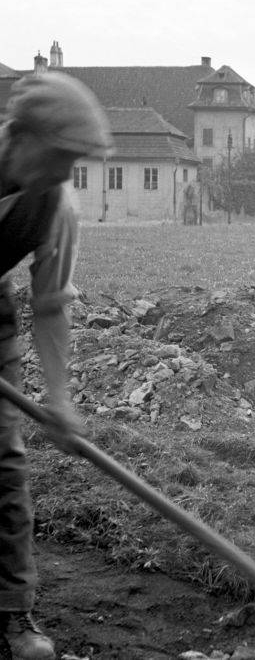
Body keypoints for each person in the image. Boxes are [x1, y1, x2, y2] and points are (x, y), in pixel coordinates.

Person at [0, 72, 113, 658]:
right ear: (18, 138)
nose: (70, 175)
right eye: (61, 156)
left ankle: (14, 613)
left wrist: (60, 400)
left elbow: (48, 305)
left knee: (5, 467)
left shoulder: (56, 207)